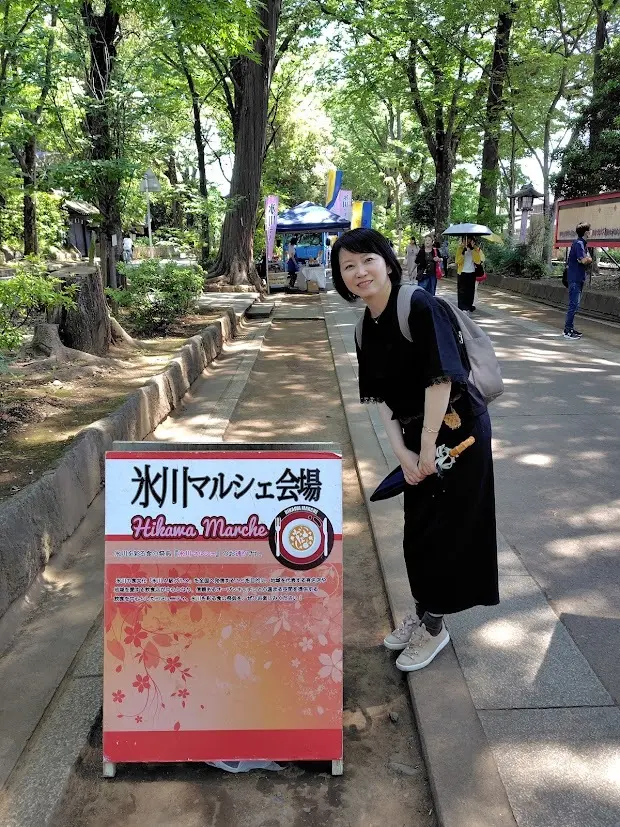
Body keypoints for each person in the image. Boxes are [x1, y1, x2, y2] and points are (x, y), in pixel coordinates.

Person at [331, 227, 499, 672]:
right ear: (340, 278)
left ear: (387, 261)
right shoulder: (364, 328)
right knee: (418, 532)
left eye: (368, 260)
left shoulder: (419, 306)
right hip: (417, 440)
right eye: (348, 266)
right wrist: (403, 455)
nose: (360, 272)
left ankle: (434, 626)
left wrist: (425, 448)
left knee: (449, 533)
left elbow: (441, 379)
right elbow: (382, 399)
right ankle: (425, 612)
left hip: (458, 433)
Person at [564, 222, 592, 340]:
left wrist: (587, 259)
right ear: (586, 232)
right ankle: (568, 331)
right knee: (573, 305)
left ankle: (570, 328)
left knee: (575, 305)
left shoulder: (581, 243)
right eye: (590, 230)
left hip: (578, 278)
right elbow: (583, 260)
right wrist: (589, 259)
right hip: (575, 279)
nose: (591, 232)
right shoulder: (579, 243)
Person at [455, 236, 484, 312]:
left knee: (470, 290)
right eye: (465, 240)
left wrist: (473, 249)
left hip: (471, 272)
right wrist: (463, 253)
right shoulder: (460, 249)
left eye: (469, 240)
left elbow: (477, 261)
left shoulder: (475, 249)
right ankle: (461, 307)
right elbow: (457, 261)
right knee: (462, 291)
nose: (467, 242)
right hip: (462, 272)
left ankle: (468, 306)